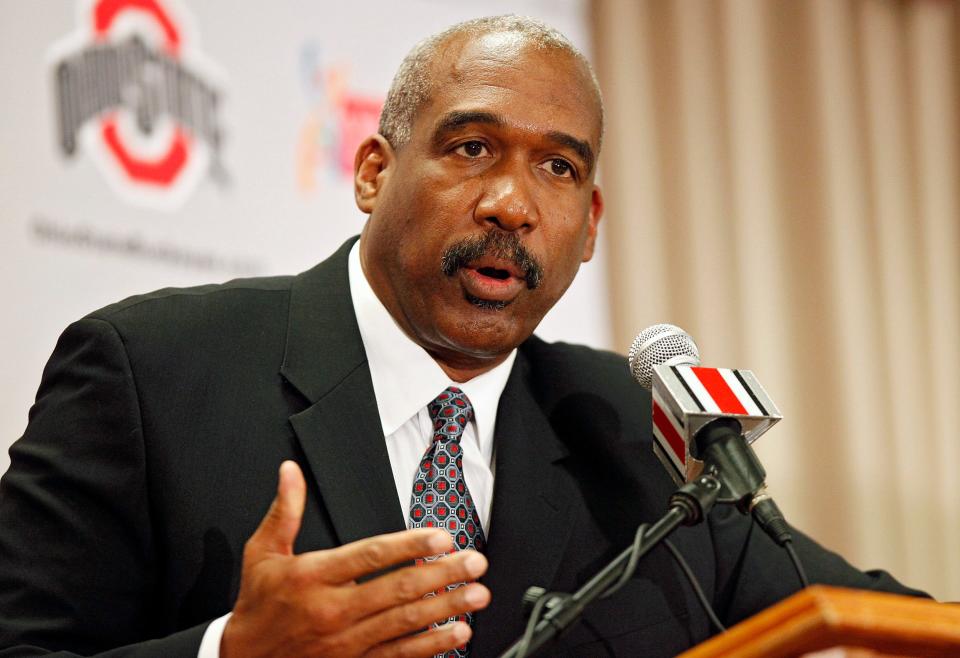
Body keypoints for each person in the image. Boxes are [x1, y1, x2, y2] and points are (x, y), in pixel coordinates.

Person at [0, 15, 923, 658]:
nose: (512, 204)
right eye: (472, 147)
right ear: (372, 170)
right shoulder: (151, 371)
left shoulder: (633, 431)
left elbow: (865, 622)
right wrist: (230, 653)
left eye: (557, 168)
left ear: (591, 224)